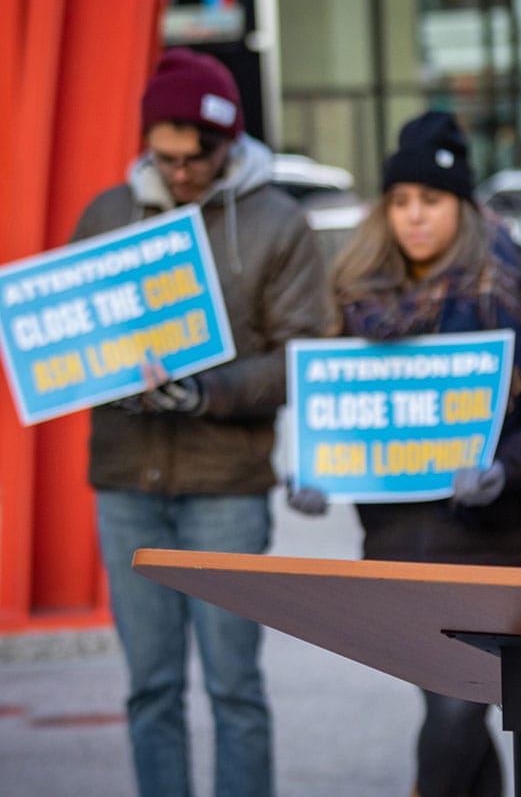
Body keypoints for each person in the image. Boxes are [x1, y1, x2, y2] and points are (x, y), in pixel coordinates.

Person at [287, 110, 521, 797]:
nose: (414, 217)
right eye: (402, 202)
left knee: (457, 705)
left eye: (431, 201)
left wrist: (507, 469)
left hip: (496, 542)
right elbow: (341, 411)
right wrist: (312, 473)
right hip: (397, 543)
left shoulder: (519, 287)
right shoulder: (357, 298)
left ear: (462, 205)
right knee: (452, 708)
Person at [70, 48, 329, 796]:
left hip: (226, 487)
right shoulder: (106, 215)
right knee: (150, 689)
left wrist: (206, 391)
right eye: (166, 157)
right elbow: (69, 335)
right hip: (126, 482)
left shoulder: (278, 223)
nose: (183, 171)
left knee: (234, 690)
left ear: (231, 141)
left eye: (199, 157)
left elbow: (301, 359)